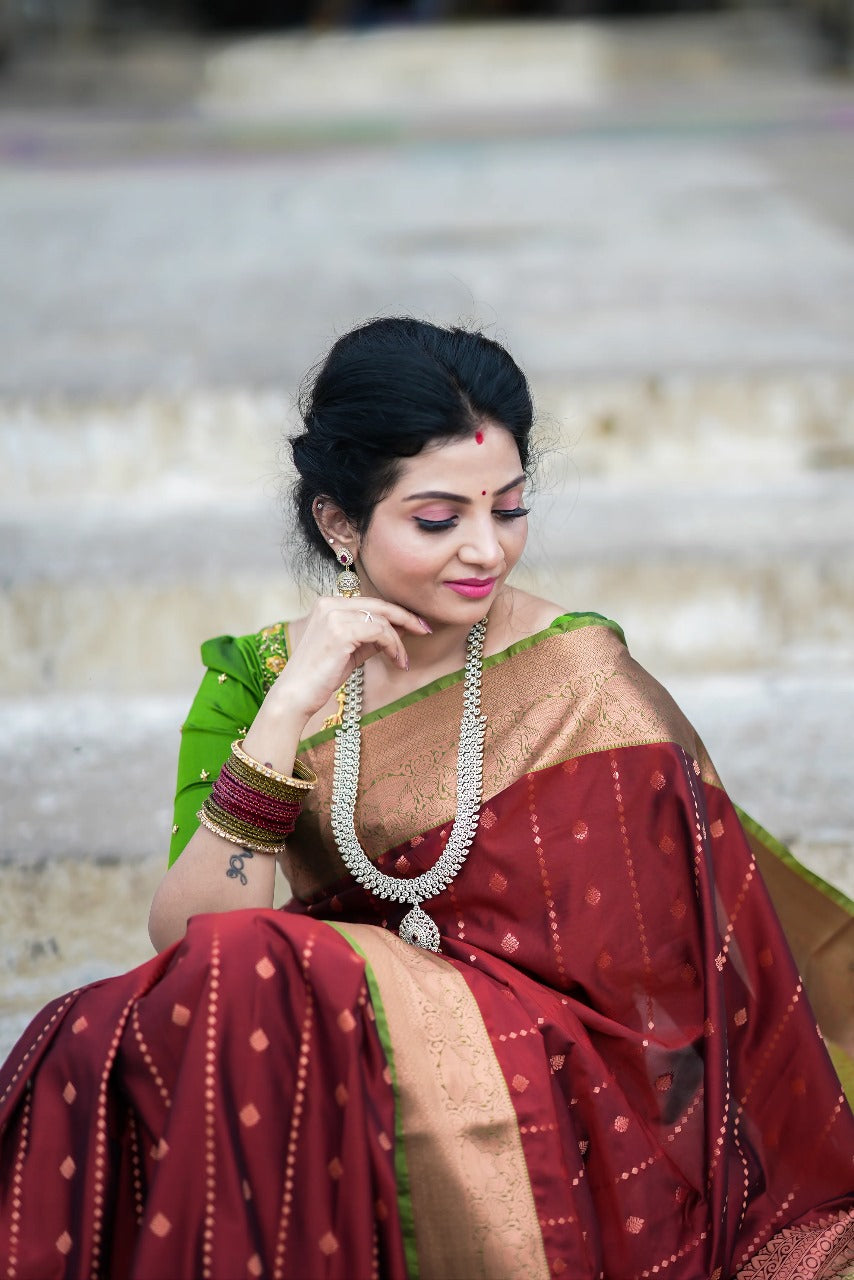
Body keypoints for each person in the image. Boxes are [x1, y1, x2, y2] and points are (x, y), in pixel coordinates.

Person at [1, 317, 852, 1279]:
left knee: (264, 976)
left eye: (511, 509)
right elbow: (191, 938)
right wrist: (287, 711)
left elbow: (660, 1004)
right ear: (338, 524)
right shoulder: (259, 681)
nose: (486, 551)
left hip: (561, 1090)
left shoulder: (579, 675)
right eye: (440, 519)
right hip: (334, 1047)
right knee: (93, 1036)